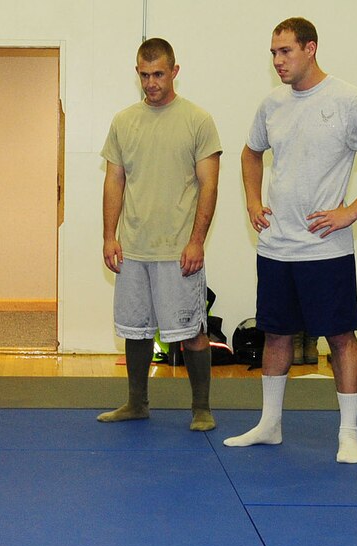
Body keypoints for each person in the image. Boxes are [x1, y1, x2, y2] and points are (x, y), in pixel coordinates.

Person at [223, 17, 357, 462]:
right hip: (276, 245)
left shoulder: (348, 100)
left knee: (340, 337)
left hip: (324, 248)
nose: (277, 61)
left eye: (285, 51)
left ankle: (349, 434)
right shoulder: (271, 104)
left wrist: (352, 211)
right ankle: (269, 424)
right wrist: (253, 200)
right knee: (276, 334)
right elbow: (250, 152)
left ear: (310, 49)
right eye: (272, 53)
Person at [99, 37, 221, 431]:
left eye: (158, 74)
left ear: (174, 72)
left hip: (177, 249)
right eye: (144, 74)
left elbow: (209, 185)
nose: (151, 82)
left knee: (191, 331)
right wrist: (109, 235)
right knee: (135, 329)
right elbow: (114, 181)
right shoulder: (123, 121)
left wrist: (197, 241)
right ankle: (137, 403)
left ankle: (201, 408)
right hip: (133, 247)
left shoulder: (197, 120)